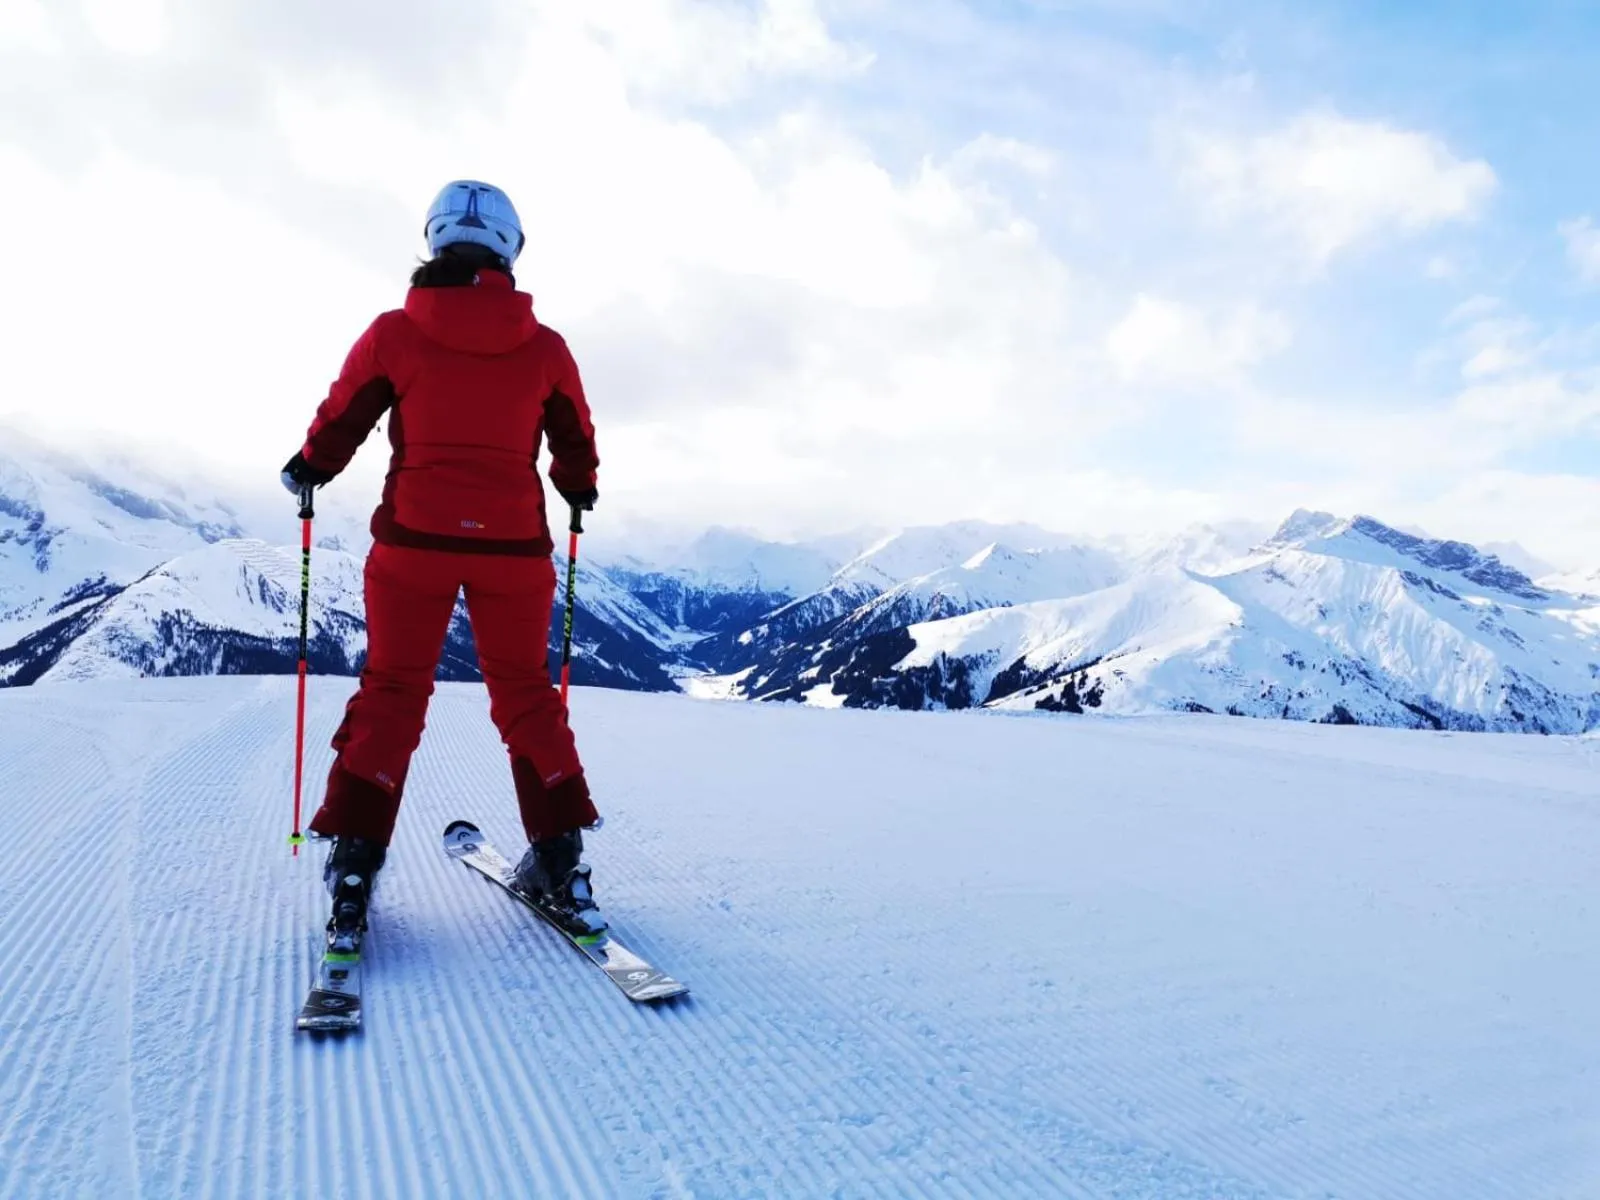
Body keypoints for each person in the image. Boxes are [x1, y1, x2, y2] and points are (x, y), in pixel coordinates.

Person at [281, 179, 604, 941]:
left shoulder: (395, 334)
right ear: (509, 249)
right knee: (526, 695)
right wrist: (578, 488)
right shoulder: (546, 348)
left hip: (414, 542)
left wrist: (309, 469)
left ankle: (355, 866)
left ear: (434, 240)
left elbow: (344, 415)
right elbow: (574, 439)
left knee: (393, 692)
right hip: (513, 548)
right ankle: (560, 861)